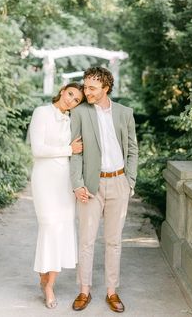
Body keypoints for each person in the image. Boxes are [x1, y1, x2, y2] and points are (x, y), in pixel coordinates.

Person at [70, 67, 138, 313]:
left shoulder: (125, 113)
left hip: (119, 182)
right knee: (86, 241)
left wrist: (130, 181)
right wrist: (77, 184)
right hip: (91, 185)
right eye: (85, 86)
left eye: (92, 88)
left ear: (105, 88)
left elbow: (132, 149)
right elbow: (75, 152)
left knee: (114, 241)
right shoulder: (79, 112)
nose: (86, 91)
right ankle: (84, 290)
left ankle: (112, 291)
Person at [29, 82, 84, 309]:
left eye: (76, 100)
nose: (71, 100)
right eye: (70, 94)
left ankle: (49, 281)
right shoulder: (42, 112)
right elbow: (38, 150)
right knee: (49, 226)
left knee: (62, 230)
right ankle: (47, 284)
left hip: (64, 181)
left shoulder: (71, 121)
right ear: (62, 90)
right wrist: (68, 149)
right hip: (44, 179)